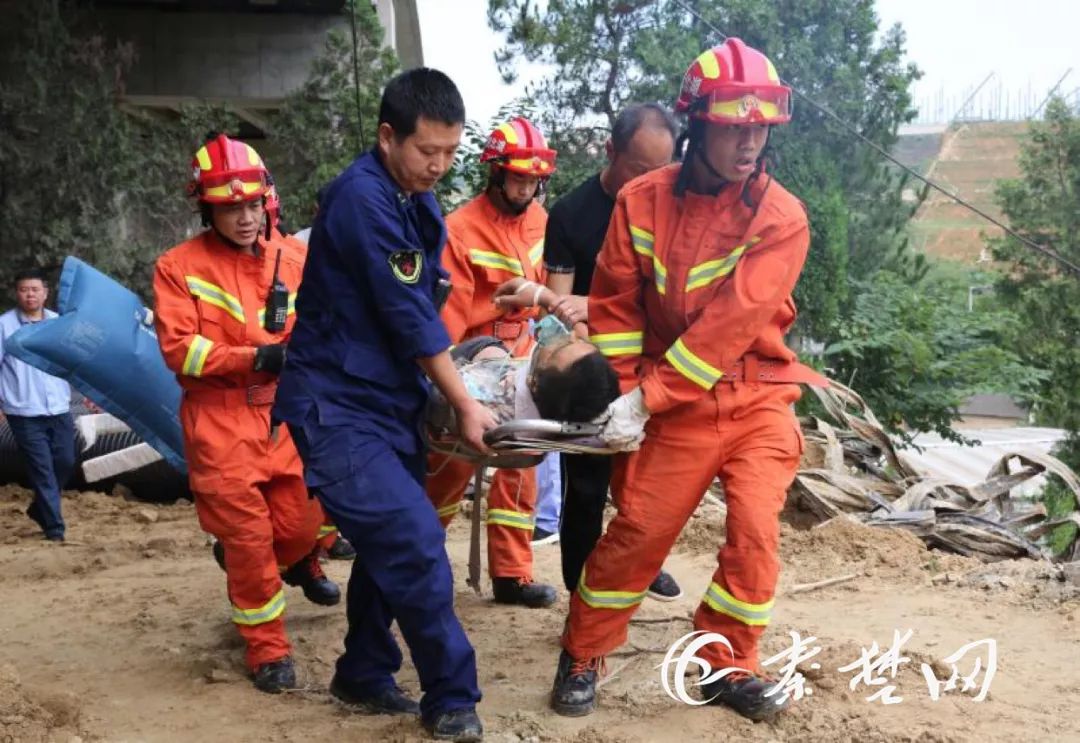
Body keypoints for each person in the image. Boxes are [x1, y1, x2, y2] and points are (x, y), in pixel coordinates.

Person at [550, 39, 828, 722]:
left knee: (756, 530)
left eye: (761, 128)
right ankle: (583, 650)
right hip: (673, 399)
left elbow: (727, 327)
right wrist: (620, 393)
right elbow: (615, 310)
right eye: (736, 127)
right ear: (697, 125)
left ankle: (725, 663)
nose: (750, 143)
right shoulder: (640, 201)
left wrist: (647, 396)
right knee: (640, 530)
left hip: (753, 392)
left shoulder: (781, 217)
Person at [272, 68, 491, 743]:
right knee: (416, 540)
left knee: (386, 542)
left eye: (452, 153)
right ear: (388, 136)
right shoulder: (360, 200)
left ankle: (364, 669)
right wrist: (462, 402)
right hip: (335, 406)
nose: (440, 166)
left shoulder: (416, 199)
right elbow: (407, 316)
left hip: (387, 401)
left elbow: (430, 298)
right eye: (429, 151)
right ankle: (452, 696)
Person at [153, 133, 340, 695]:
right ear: (207, 208)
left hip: (285, 416)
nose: (244, 217)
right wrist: (255, 356)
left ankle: (288, 560)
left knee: (302, 524)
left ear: (267, 201)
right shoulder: (177, 267)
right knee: (252, 541)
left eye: (252, 204)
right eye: (230, 207)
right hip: (220, 421)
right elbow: (178, 349)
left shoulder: (297, 256)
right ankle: (268, 650)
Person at [540, 104, 682, 600]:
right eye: (640, 171)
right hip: (594, 375)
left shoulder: (672, 210)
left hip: (655, 373)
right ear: (611, 151)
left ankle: (640, 568)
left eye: (663, 171)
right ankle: (580, 588)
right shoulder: (571, 215)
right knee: (585, 489)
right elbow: (559, 311)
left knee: (650, 486)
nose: (652, 183)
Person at [425, 117, 559, 609]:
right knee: (450, 465)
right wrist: (451, 386)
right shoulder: (460, 230)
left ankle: (512, 574)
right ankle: (422, 566)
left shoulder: (542, 222)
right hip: (475, 359)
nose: (525, 187)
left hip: (525, 355)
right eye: (517, 177)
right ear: (496, 173)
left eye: (532, 179)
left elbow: (551, 289)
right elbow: (450, 314)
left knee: (522, 465)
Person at [0, 269, 75, 542]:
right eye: (23, 290)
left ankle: (39, 509)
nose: (29, 294)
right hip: (23, 410)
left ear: (45, 293)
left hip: (59, 407)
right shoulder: (4, 326)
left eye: (35, 289)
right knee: (41, 467)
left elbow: (72, 361)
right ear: (16, 293)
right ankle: (55, 529)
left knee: (65, 461)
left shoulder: (59, 323)